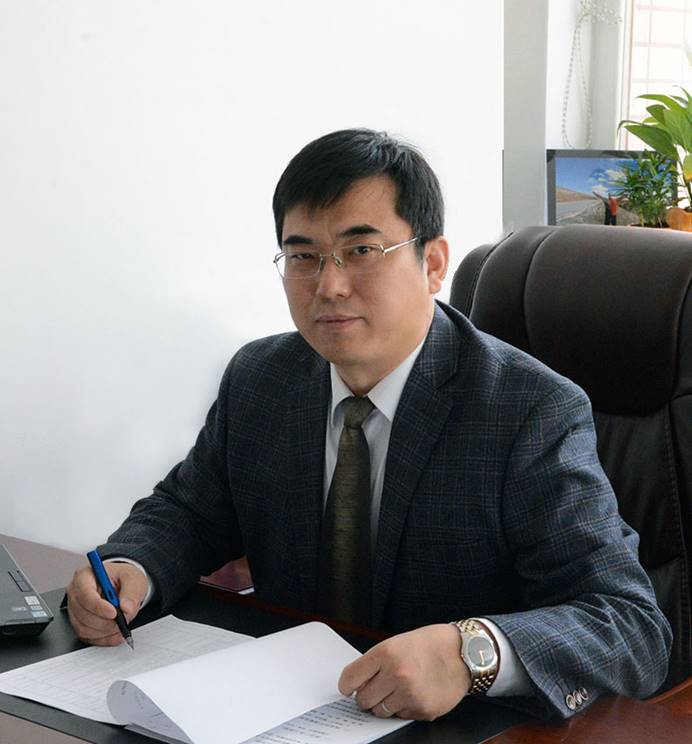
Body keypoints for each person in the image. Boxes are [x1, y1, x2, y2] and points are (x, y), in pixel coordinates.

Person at [67, 129, 671, 722]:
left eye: (361, 251)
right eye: (303, 256)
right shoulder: (260, 378)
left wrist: (470, 653)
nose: (329, 286)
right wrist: (132, 567)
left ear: (433, 263)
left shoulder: (528, 410)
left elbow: (627, 624)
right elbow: (190, 512)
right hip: (283, 712)